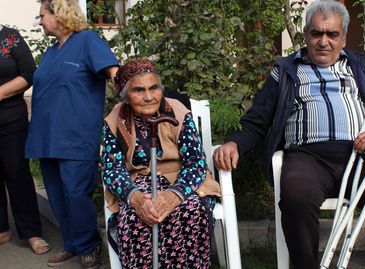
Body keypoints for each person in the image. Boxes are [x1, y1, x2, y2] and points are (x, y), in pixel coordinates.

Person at [214, 1, 365, 268]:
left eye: (332, 35)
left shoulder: (361, 67)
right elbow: (258, 119)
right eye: (316, 33)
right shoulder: (286, 71)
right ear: (306, 35)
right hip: (306, 158)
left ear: (343, 38)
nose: (323, 42)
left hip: (358, 155)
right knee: (296, 196)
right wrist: (235, 142)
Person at [24, 0, 119, 268]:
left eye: (42, 15)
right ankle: (71, 244)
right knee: (56, 194)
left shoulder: (88, 41)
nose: (40, 21)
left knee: (76, 194)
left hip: (76, 137)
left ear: (59, 14)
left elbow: (114, 73)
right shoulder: (51, 52)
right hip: (46, 137)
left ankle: (88, 246)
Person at [101, 58, 220, 269]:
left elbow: (196, 163)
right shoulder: (115, 120)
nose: (148, 96)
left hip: (182, 181)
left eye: (153, 88)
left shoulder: (178, 112)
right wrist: (136, 199)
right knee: (135, 220)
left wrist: (174, 196)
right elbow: (112, 170)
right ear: (125, 95)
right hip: (137, 186)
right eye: (138, 90)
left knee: (189, 211)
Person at [0, 24, 50, 255]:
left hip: (11, 117)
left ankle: (31, 232)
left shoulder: (10, 36)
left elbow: (29, 73)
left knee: (17, 171)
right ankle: (1, 229)